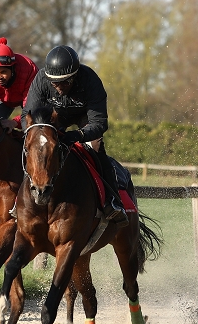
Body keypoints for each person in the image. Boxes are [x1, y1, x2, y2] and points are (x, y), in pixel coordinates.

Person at [21, 45, 128, 228]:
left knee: (96, 146)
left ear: (75, 76)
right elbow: (27, 116)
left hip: (84, 118)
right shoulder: (41, 79)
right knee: (32, 147)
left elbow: (99, 124)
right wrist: (35, 135)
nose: (58, 87)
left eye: (64, 82)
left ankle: (112, 200)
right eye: (54, 83)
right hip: (54, 119)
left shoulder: (90, 80)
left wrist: (77, 135)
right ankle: (20, 201)